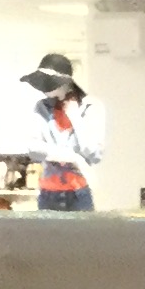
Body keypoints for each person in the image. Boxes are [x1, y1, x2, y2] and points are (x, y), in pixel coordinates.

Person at [24, 51, 107, 210]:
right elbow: (33, 147)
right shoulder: (41, 108)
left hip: (79, 192)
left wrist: (75, 118)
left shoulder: (91, 107)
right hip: (48, 192)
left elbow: (94, 154)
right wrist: (71, 157)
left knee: (81, 227)